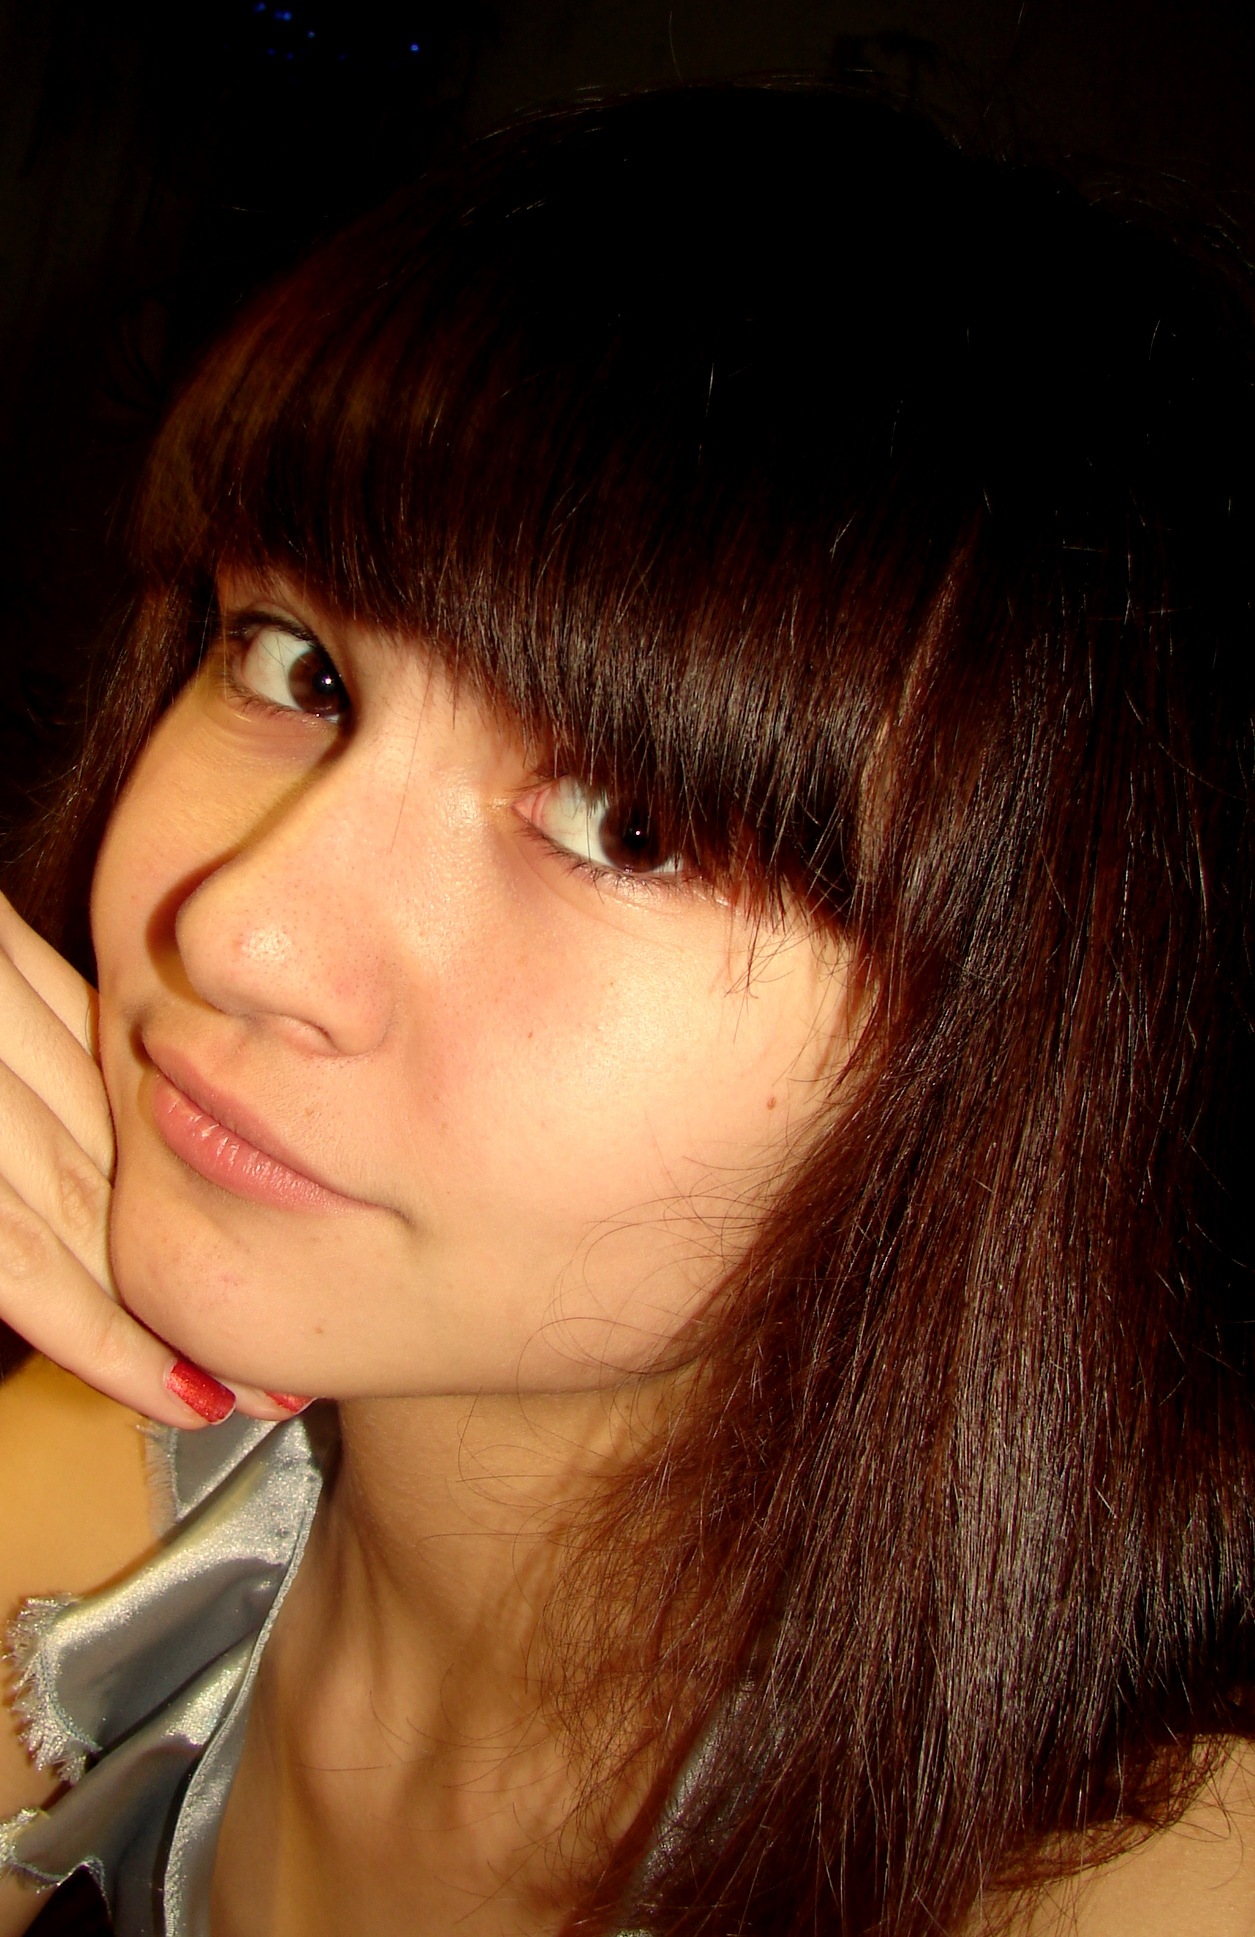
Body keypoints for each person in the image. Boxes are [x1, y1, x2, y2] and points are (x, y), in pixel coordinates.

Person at [0, 82, 1251, 1937]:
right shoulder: (131, 1510)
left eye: (630, 825)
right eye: (300, 666)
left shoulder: (1143, 1883)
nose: (239, 930)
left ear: (1025, 1055)